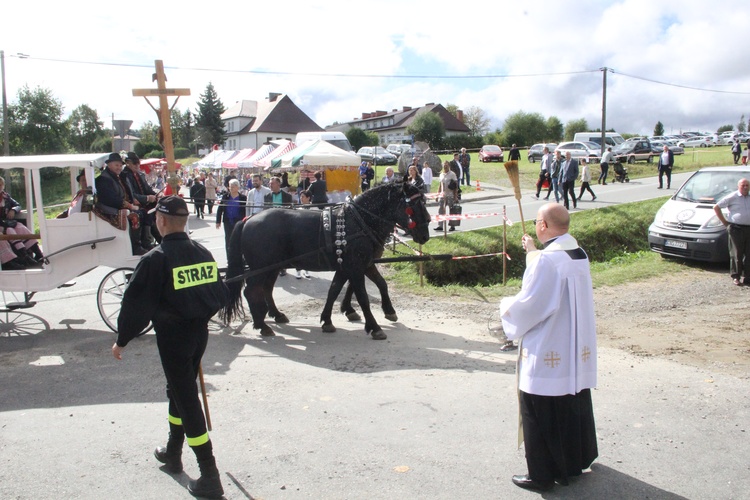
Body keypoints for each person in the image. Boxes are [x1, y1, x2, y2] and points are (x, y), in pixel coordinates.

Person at [112, 195, 228, 499]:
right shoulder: (202, 251)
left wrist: (121, 339)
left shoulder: (156, 258)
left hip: (173, 338)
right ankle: (173, 452)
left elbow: (135, 304)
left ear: (161, 221)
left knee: (187, 400)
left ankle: (209, 475)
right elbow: (219, 294)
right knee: (178, 391)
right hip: (199, 333)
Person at [500, 202, 598, 492]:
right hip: (573, 348)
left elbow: (531, 305)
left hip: (548, 346)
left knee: (537, 408)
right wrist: (532, 251)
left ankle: (542, 475)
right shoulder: (577, 254)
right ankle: (574, 462)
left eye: (536, 222)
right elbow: (548, 271)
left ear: (542, 225)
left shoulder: (547, 261)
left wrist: (504, 307)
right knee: (571, 403)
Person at [94, 152, 146, 255]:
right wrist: (130, 206)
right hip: (109, 209)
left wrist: (132, 201)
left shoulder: (117, 176)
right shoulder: (103, 180)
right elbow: (111, 199)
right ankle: (135, 247)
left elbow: (126, 191)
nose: (119, 167)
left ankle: (144, 243)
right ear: (109, 165)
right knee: (136, 215)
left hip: (119, 206)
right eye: (116, 165)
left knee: (144, 212)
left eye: (120, 165)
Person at [0, 176, 44, 268]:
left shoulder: (6, 197)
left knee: (21, 228)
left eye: (1, 184)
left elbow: (17, 205)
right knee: (9, 232)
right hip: (2, 225)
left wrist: (13, 210)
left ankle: (38, 254)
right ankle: (16, 261)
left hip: (7, 223)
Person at [713, 178, 750, 285]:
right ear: (738, 186)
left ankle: (748, 276)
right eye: (743, 185)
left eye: (747, 185)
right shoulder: (732, 197)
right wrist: (725, 223)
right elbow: (716, 207)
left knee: (749, 254)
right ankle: (736, 276)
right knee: (736, 253)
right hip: (736, 229)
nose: (745, 187)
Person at [121, 152, 159, 249]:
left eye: (138, 163)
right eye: (135, 163)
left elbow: (146, 189)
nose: (137, 165)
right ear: (128, 163)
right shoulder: (125, 175)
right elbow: (131, 193)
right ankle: (143, 243)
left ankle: (160, 240)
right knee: (145, 214)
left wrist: (156, 195)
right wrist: (146, 198)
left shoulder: (139, 175)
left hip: (142, 203)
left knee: (156, 210)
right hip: (133, 203)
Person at [216, 179, 247, 253]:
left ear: (237, 187)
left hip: (239, 222)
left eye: (233, 187)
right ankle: (229, 258)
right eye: (230, 187)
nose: (231, 188)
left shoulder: (243, 198)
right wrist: (218, 221)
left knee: (238, 239)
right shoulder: (225, 197)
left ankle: (239, 257)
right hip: (228, 221)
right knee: (228, 240)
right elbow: (220, 209)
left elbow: (246, 210)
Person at [435, 161, 458, 232]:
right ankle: (440, 225)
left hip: (450, 195)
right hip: (443, 195)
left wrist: (455, 196)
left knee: (452, 210)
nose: (445, 166)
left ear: (449, 166)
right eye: (444, 165)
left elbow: (456, 186)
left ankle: (452, 225)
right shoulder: (441, 174)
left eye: (446, 165)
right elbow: (440, 185)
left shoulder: (452, 174)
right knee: (441, 210)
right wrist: (437, 195)